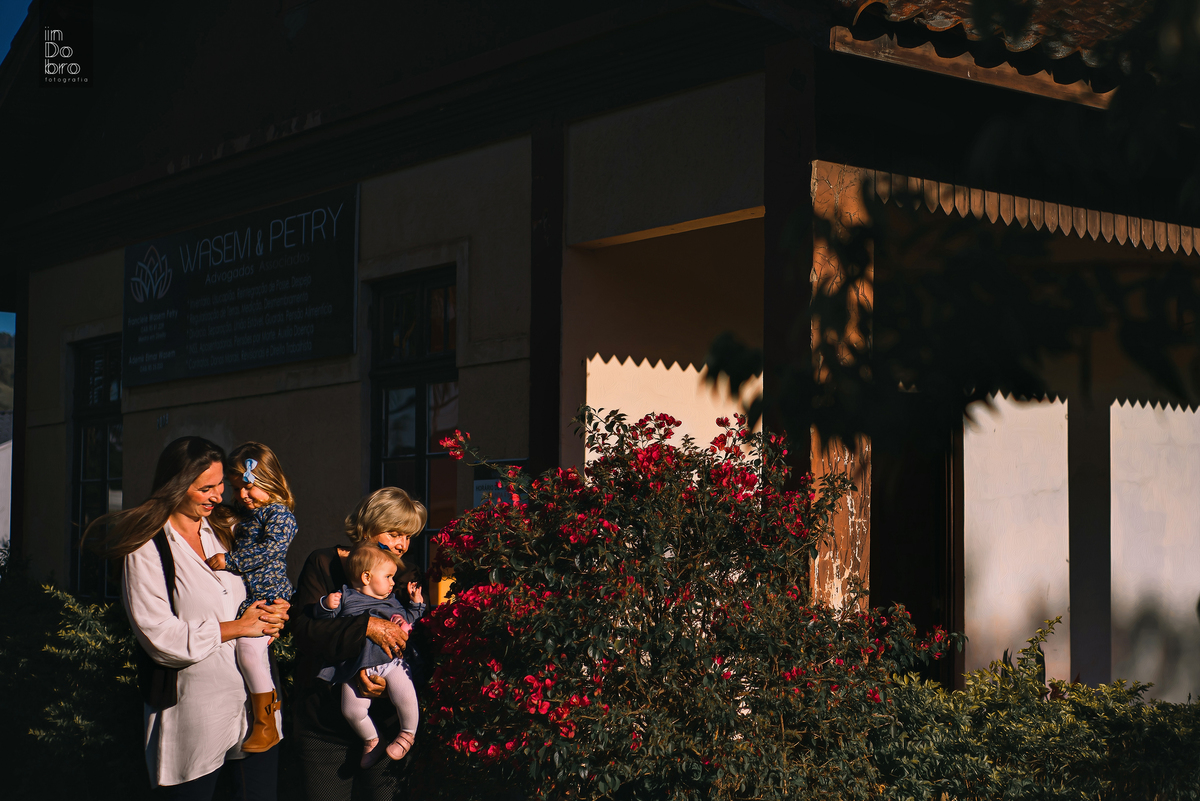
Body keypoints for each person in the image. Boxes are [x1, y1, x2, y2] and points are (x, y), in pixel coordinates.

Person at [84, 436, 290, 800]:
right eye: (205, 488)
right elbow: (161, 638)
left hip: (254, 714)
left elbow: (257, 590)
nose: (217, 495)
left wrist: (275, 612)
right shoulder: (147, 548)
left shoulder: (228, 533)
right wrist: (239, 628)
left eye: (220, 485)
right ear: (176, 486)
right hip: (195, 719)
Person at [289, 487, 427, 801]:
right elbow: (305, 631)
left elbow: (418, 644)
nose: (401, 545)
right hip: (324, 728)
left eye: (408, 537)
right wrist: (365, 627)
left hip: (388, 725)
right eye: (394, 533)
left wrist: (387, 672)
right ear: (367, 527)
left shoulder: (405, 577)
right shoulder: (323, 563)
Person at [205, 442, 299, 753]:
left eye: (248, 487)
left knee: (248, 651)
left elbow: (272, 549)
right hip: (254, 597)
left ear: (270, 481)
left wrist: (229, 561)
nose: (242, 496)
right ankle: (268, 716)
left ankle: (266, 723)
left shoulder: (279, 515)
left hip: (269, 595)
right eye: (236, 490)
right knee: (253, 656)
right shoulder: (249, 515)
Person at [315, 544, 427, 767]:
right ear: (366, 577)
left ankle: (407, 734)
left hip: (390, 662)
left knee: (404, 695)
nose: (393, 583)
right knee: (351, 709)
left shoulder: (392, 601)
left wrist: (416, 604)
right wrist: (326, 605)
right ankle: (371, 740)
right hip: (356, 665)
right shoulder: (344, 596)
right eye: (388, 576)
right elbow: (325, 624)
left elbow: (409, 620)